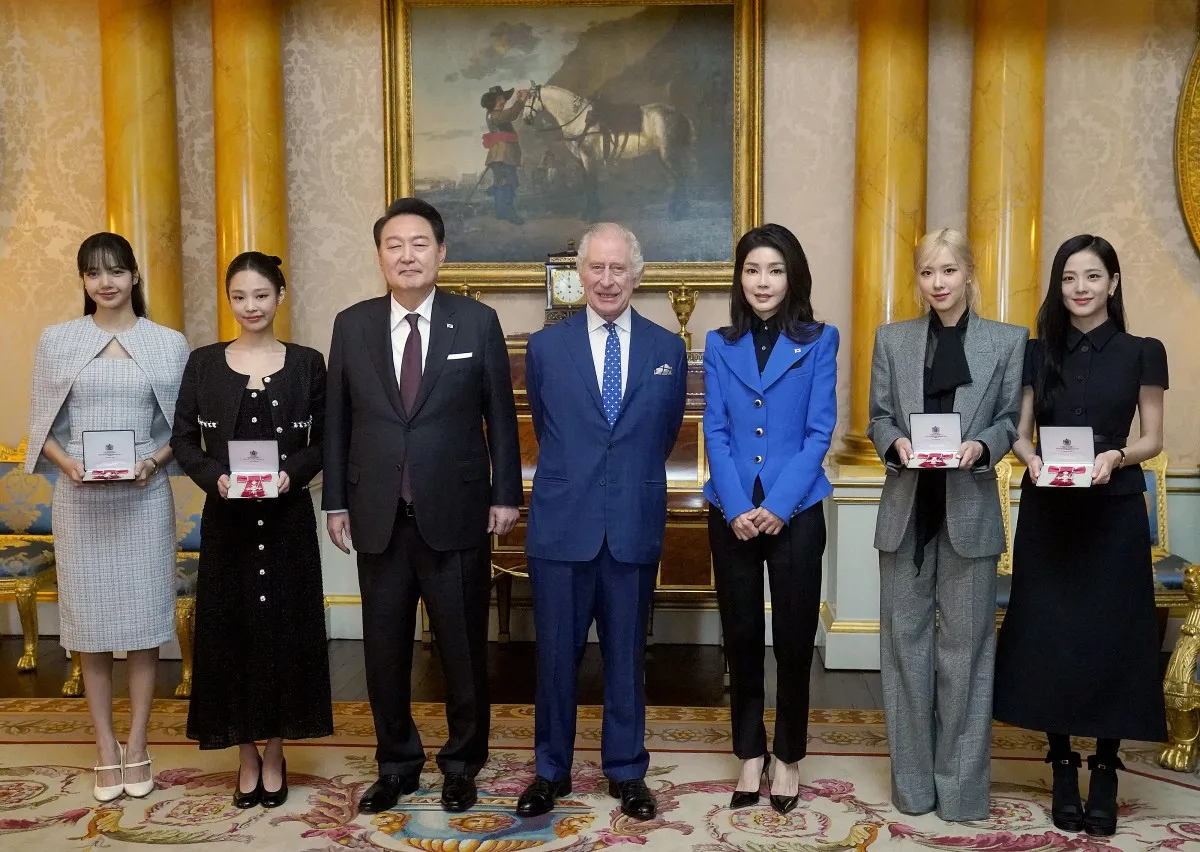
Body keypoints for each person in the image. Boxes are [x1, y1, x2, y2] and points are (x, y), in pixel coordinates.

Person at [323, 197, 522, 814]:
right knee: (384, 650)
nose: (407, 255)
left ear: (442, 252)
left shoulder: (477, 321)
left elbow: (500, 415)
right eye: (394, 245)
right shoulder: (351, 324)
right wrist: (335, 502)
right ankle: (397, 764)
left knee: (463, 648)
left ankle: (463, 763)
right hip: (377, 513)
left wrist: (506, 493)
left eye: (419, 244)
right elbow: (338, 420)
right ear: (380, 255)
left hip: (457, 511)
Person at [994, 235, 1168, 837]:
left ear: (1113, 284)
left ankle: (1107, 764)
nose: (1081, 289)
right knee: (1051, 634)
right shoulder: (1037, 352)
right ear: (1058, 286)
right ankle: (1064, 762)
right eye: (1069, 278)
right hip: (1050, 510)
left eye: (1092, 277)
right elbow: (1018, 431)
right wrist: (1031, 460)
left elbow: (1152, 438)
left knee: (1114, 635)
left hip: (1113, 509)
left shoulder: (1143, 352)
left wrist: (1117, 456)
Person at [516, 222, 687, 821]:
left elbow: (662, 436)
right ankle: (550, 770)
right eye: (597, 268)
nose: (608, 280)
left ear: (636, 275)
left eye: (619, 269)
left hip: (632, 523)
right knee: (557, 658)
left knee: (626, 657)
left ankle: (625, 771)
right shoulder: (544, 348)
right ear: (578, 275)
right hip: (563, 525)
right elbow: (547, 427)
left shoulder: (668, 349)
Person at [867, 228, 1027, 821]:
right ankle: (913, 787)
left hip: (970, 511)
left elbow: (1012, 419)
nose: (938, 283)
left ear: (969, 274)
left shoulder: (1008, 342)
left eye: (949, 271)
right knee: (904, 652)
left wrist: (982, 446)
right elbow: (877, 416)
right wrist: (896, 443)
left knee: (966, 655)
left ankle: (959, 791)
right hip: (906, 514)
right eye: (927, 273)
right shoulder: (893, 340)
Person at [25, 232, 188, 802]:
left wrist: (153, 462)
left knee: (144, 627)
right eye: (94, 273)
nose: (107, 282)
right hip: (80, 501)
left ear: (135, 276)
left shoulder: (168, 343)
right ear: (83, 281)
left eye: (117, 270)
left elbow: (183, 430)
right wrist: (69, 466)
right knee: (91, 631)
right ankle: (103, 747)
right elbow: (40, 427)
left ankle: (138, 743)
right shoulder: (59, 340)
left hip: (143, 498)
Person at [171, 252, 332, 809]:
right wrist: (216, 479)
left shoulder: (309, 363)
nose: (250, 307)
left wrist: (294, 474)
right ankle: (245, 753)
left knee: (285, 631)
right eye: (239, 297)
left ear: (279, 297)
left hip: (287, 523)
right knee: (232, 633)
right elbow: (186, 440)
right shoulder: (204, 364)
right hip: (229, 525)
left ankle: (277, 750)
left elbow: (326, 438)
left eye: (261, 295)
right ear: (229, 300)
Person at [702, 224, 839, 815]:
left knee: (791, 639)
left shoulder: (821, 339)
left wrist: (778, 507)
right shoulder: (718, 341)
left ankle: (787, 757)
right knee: (740, 639)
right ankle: (749, 755)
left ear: (793, 277)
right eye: (753, 269)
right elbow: (716, 429)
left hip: (797, 510)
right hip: (730, 510)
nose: (763, 281)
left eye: (775, 270)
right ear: (740, 277)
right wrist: (736, 507)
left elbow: (818, 431)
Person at [480, 84, 529, 224]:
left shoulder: (492, 114)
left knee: (501, 183)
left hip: (500, 155)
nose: (503, 101)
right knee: (508, 183)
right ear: (492, 101)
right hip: (503, 155)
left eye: (504, 99)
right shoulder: (496, 115)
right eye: (500, 99)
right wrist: (522, 100)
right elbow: (512, 114)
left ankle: (501, 212)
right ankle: (509, 214)